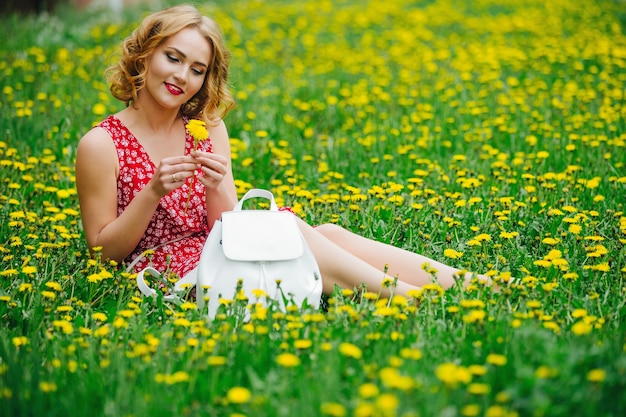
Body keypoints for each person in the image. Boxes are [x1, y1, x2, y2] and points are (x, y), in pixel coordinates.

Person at [75, 4, 490, 301]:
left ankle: (460, 280)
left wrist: (218, 184)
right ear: (145, 54)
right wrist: (152, 192)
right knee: (292, 234)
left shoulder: (206, 128)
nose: (182, 76)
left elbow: (225, 224)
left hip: (217, 246)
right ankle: (406, 298)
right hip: (168, 270)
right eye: (173, 58)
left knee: (327, 234)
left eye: (197, 70)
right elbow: (101, 252)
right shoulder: (102, 144)